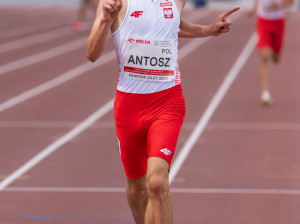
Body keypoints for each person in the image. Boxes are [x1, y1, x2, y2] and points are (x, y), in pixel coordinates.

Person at [86, 0, 239, 223]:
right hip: (129, 107)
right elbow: (92, 53)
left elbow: (172, 24)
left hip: (167, 102)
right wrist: (103, 21)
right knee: (137, 189)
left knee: (156, 183)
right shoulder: (114, 2)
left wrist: (207, 30)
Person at [249, 0, 294, 105]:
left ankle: (276, 51)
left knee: (276, 58)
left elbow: (291, 1)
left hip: (278, 22)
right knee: (264, 56)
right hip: (263, 21)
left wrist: (279, 4)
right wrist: (253, 9)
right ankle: (265, 93)